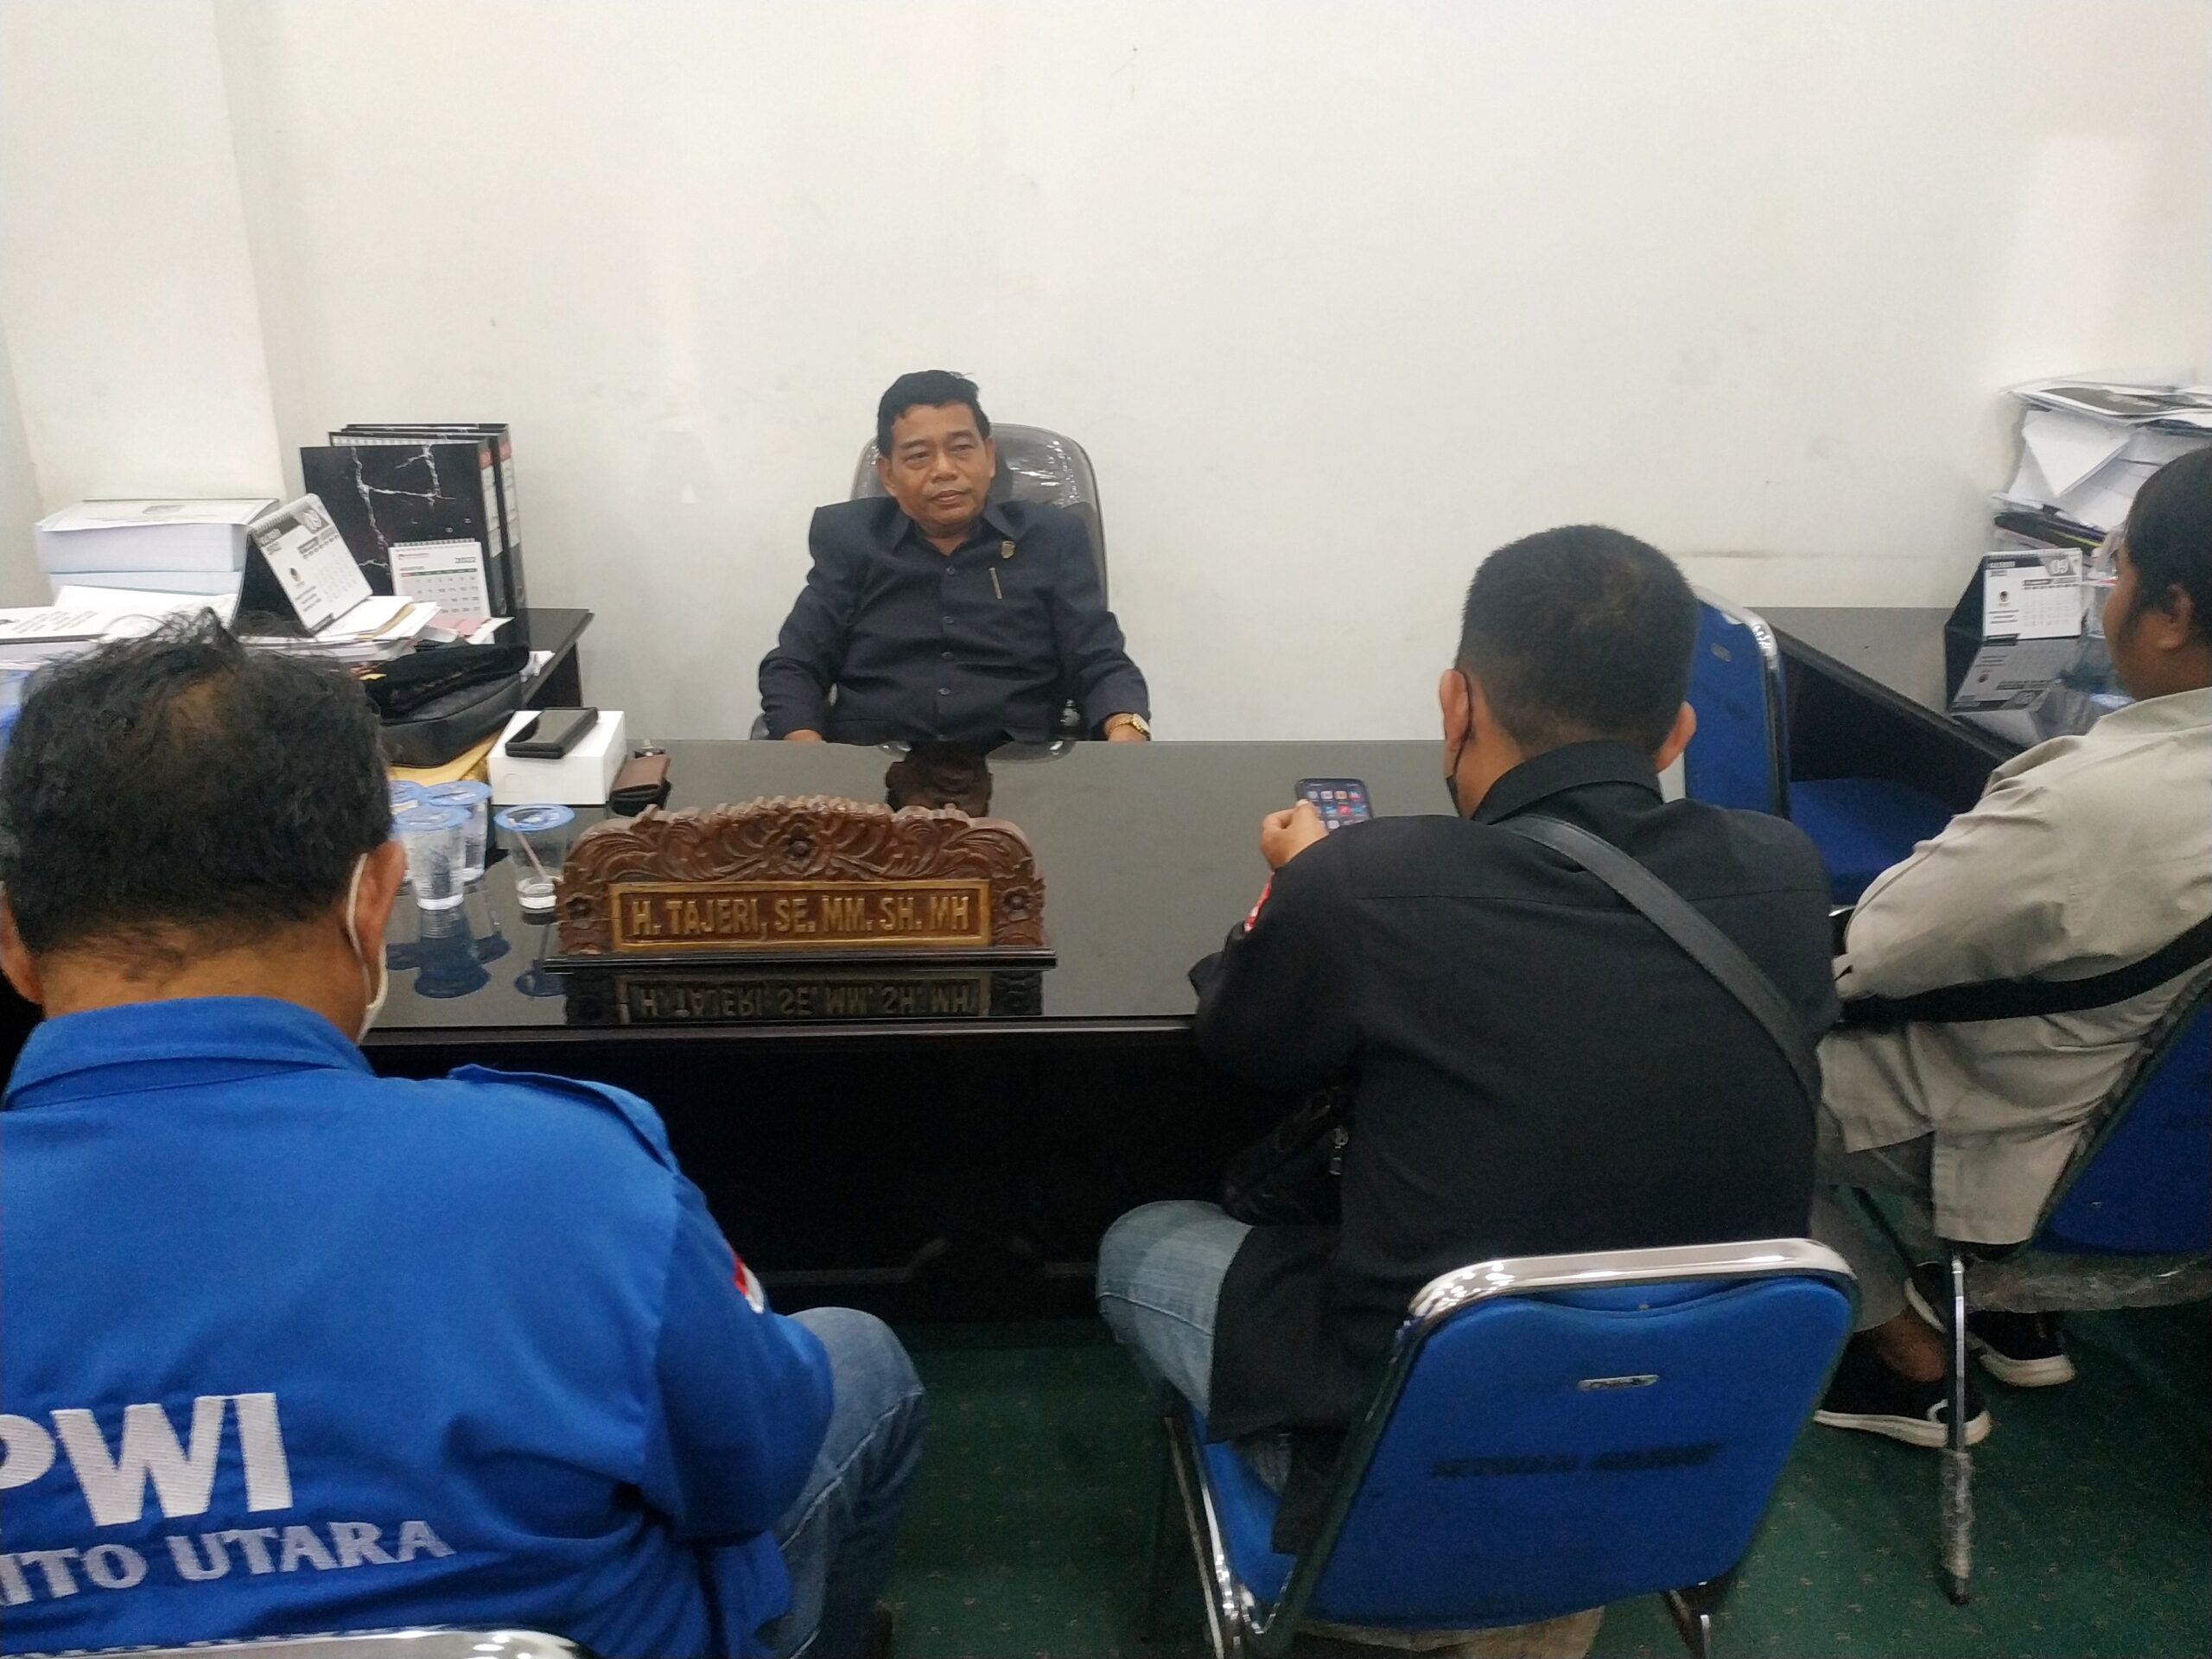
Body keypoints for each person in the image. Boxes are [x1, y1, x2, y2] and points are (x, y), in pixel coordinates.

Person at [0, 620, 922, 1659]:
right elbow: (747, 1472)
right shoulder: (569, 1181)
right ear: (373, 899)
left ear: (13, 939)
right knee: (856, 1356)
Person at [1096, 525, 1837, 1548]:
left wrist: (1302, 886)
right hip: (1680, 1449)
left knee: (1136, 1243)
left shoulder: (1362, 885)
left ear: (1456, 704)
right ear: (1675, 736)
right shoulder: (1786, 873)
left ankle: (1334, 1532)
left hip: (1404, 1456)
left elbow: (1242, 1041)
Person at [1809, 448, 2212, 1447]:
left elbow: (1873, 955)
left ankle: (1903, 1360)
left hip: (2017, 1123)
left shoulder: (2090, 803)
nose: (2106, 590)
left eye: (2116, 564)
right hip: (2162, 1143)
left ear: (2168, 612)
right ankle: (2012, 1310)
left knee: (1693, 1075)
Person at [759, 370, 1151, 747]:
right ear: (888, 475)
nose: (944, 470)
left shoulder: (1050, 539)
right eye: (919, 456)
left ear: (989, 456)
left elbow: (1099, 661)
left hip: (1018, 768)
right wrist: (811, 755)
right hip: (873, 770)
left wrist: (1125, 728)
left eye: (961, 449)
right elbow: (794, 666)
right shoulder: (851, 539)